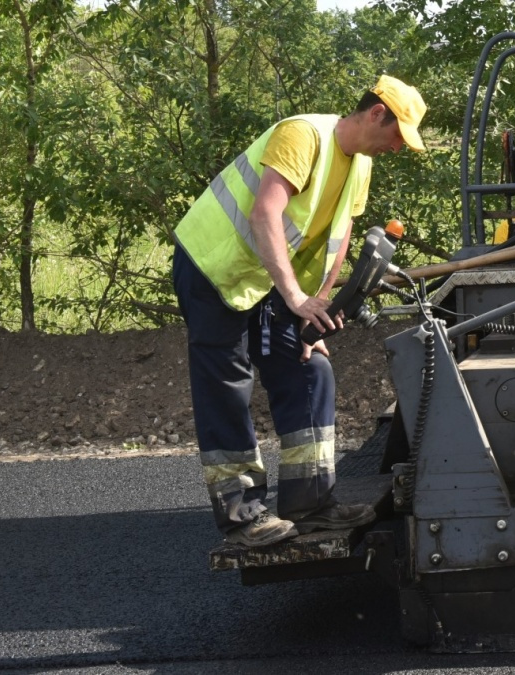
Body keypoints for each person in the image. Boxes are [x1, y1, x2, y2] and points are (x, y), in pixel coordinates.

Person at [171, 75, 427, 547]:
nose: (396, 147)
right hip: (214, 268)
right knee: (228, 385)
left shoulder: (359, 166)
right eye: (396, 134)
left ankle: (310, 505)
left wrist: (314, 310)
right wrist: (293, 296)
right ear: (376, 113)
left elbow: (339, 236)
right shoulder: (303, 134)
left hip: (269, 279)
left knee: (312, 370)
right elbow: (265, 214)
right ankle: (244, 518)